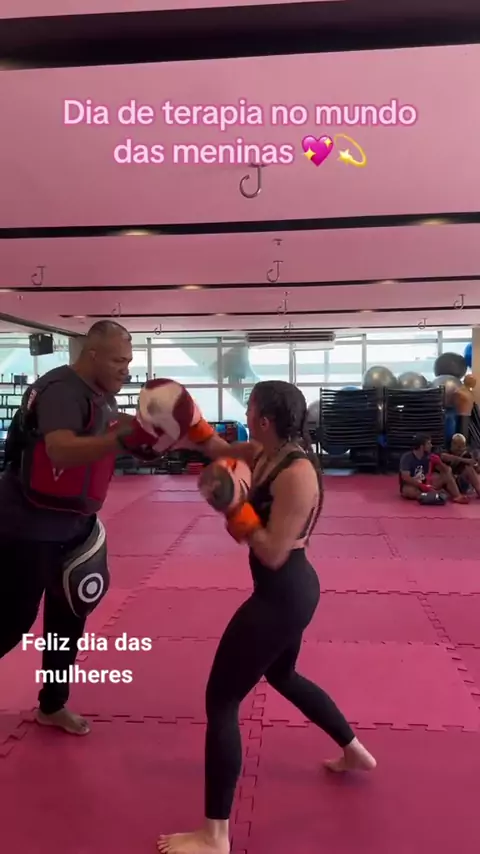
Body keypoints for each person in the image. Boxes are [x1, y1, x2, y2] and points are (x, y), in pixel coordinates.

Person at [158, 381, 376, 854]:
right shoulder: (265, 451)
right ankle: (354, 750)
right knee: (282, 674)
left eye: (250, 409)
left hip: (283, 594)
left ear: (263, 419)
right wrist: (180, 428)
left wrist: (234, 508)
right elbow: (218, 448)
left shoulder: (296, 473)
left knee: (221, 701)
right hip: (285, 592)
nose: (245, 416)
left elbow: (273, 552)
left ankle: (215, 835)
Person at [0, 321, 173, 736]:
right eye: (117, 360)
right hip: (28, 524)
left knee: (69, 616)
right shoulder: (63, 390)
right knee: (11, 619)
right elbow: (60, 450)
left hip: (75, 524)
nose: (125, 369)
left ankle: (52, 705)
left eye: (129, 361)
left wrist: (150, 442)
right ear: (91, 354)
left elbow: (103, 444)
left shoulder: (100, 396)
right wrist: (122, 438)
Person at [399, 434, 468, 503]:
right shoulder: (407, 457)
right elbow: (405, 477)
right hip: (414, 485)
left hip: (426, 482)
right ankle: (430, 495)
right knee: (408, 491)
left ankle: (457, 496)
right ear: (422, 446)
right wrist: (421, 486)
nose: (431, 446)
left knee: (446, 476)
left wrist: (440, 462)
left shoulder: (429, 456)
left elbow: (447, 471)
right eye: (428, 443)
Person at [441, 433, 480, 498]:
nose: (459, 449)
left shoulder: (467, 455)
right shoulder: (446, 452)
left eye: (461, 446)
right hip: (449, 482)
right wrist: (461, 459)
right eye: (457, 445)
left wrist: (475, 464)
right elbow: (444, 457)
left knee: (469, 469)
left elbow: (476, 467)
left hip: (461, 482)